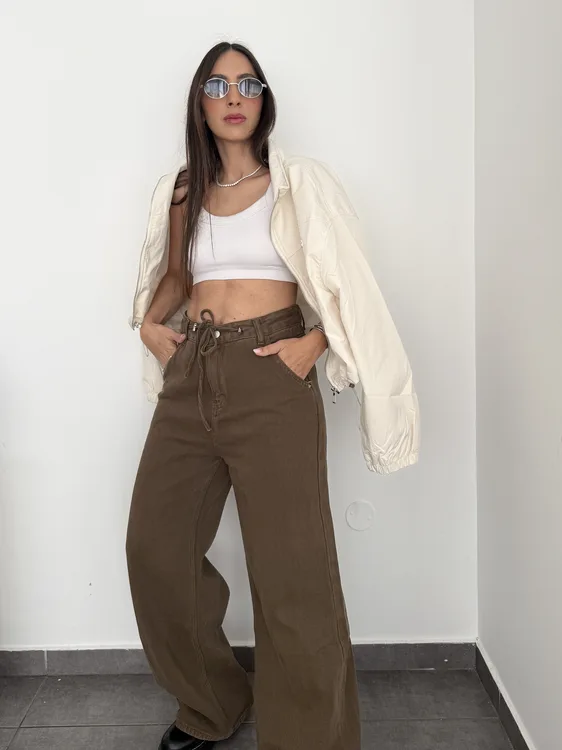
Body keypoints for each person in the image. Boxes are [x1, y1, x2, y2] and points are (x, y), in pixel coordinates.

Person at [125, 41, 420, 750]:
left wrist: (315, 343)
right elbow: (177, 278)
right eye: (218, 86)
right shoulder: (182, 191)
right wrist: (149, 324)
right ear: (199, 103)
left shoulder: (300, 182)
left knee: (293, 574)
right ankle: (211, 705)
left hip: (272, 372)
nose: (233, 97)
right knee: (155, 550)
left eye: (247, 84)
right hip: (193, 373)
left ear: (263, 100)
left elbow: (350, 282)